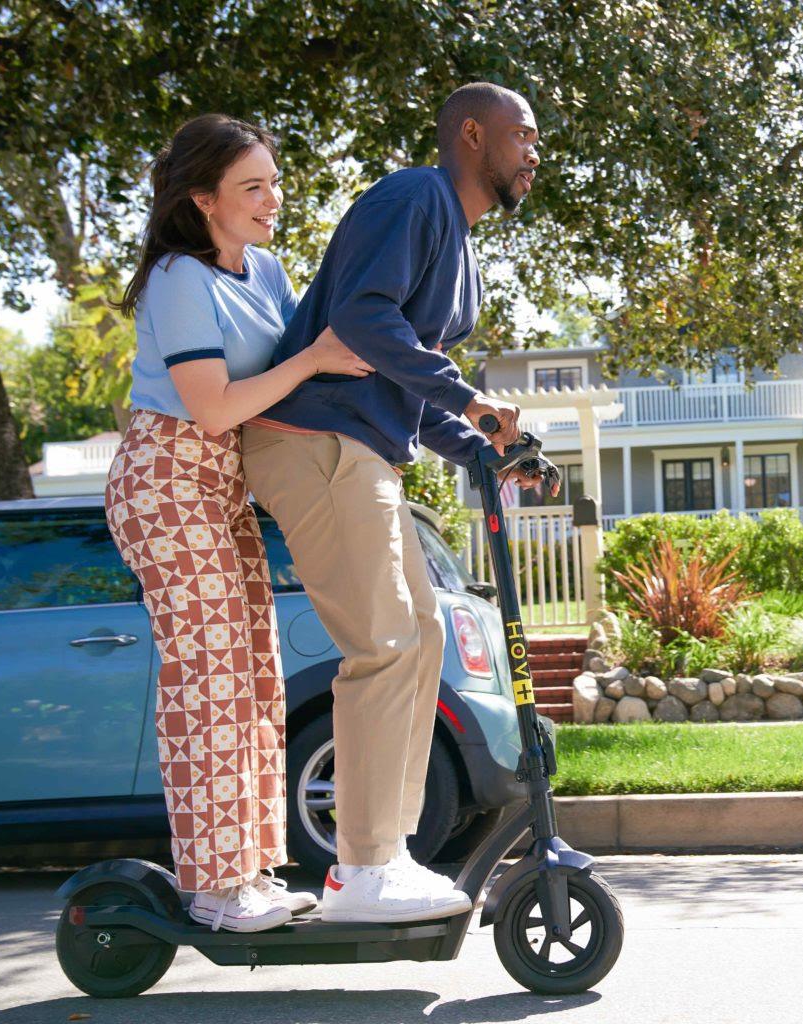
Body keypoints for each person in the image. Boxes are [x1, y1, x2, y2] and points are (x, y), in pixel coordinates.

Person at [241, 82, 548, 923]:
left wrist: (481, 443)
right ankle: (362, 871)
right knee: (382, 643)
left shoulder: (461, 246)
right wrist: (469, 400)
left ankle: (383, 858)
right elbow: (362, 318)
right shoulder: (415, 195)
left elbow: (405, 384)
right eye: (522, 136)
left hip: (362, 445)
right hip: (314, 439)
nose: (533, 154)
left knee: (419, 637)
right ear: (473, 135)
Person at [105, 113, 372, 933]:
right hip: (166, 477)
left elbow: (301, 376)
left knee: (253, 669)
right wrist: (315, 358)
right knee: (209, 673)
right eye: (252, 187)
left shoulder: (266, 270)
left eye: (275, 181)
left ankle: (248, 872)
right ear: (203, 200)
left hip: (221, 483)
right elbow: (214, 407)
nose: (273, 199)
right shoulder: (181, 278)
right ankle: (215, 888)